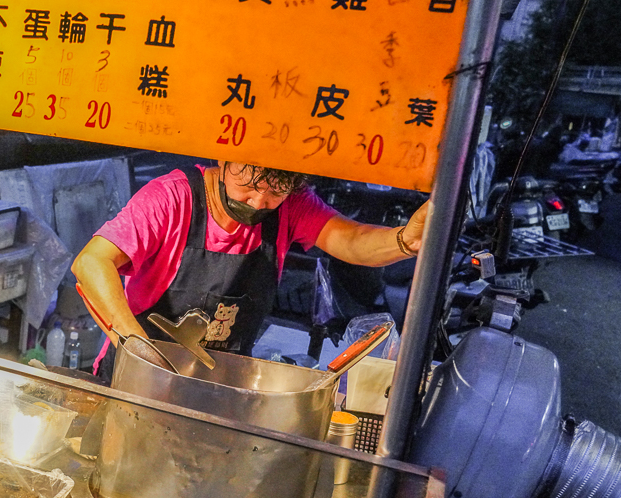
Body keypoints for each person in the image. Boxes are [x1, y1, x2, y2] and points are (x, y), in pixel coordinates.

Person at [72, 161, 430, 381]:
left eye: (276, 192)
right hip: (135, 379)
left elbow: (350, 240)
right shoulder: (171, 198)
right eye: (249, 186)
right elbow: (91, 262)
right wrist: (138, 347)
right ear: (224, 157)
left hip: (220, 384)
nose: (260, 203)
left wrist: (405, 241)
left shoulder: (292, 207)